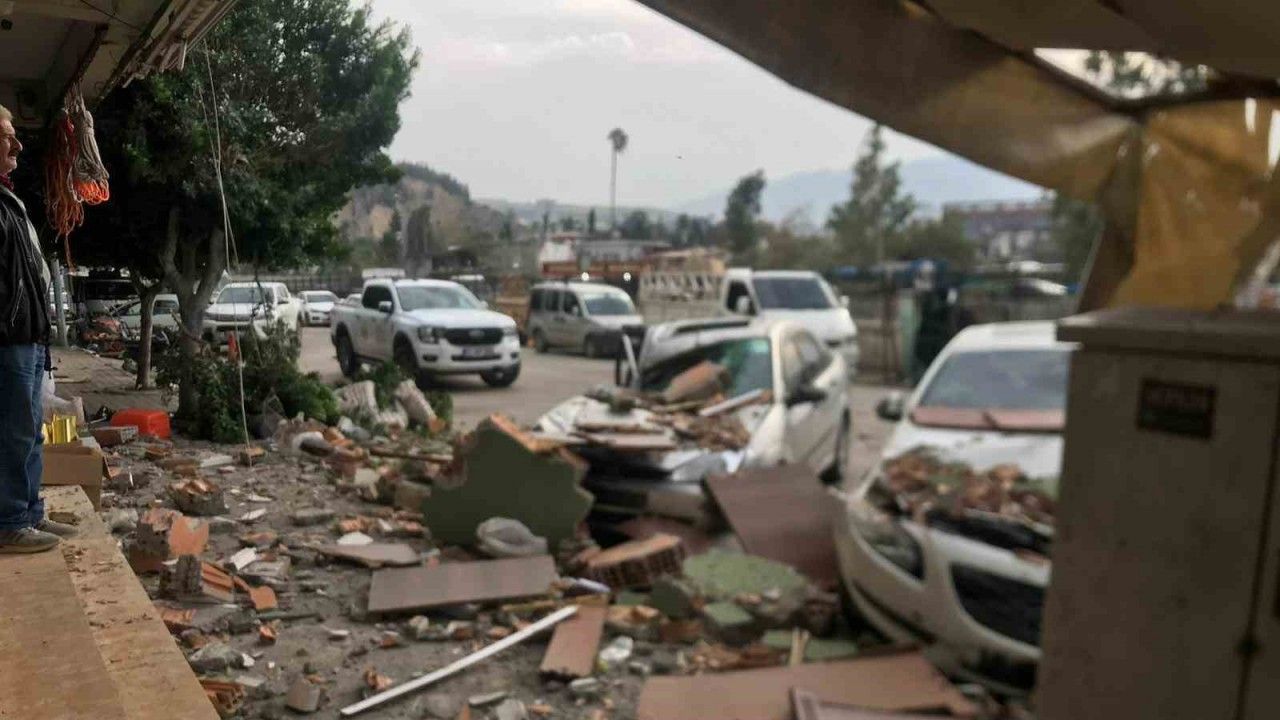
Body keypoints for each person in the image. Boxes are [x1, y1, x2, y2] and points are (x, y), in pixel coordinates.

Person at [0, 103, 76, 553]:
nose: (17, 144)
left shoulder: (8, 199)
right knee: (12, 431)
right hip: (8, 339)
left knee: (29, 431)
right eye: (6, 135)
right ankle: (9, 522)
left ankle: (28, 513)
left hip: (26, 337)